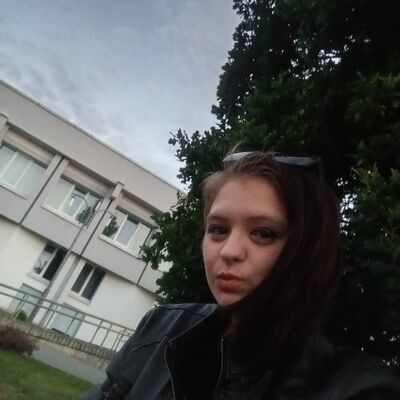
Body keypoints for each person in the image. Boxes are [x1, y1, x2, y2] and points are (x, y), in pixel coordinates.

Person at [81, 151, 400, 400]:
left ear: (307, 249)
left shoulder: (358, 389)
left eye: (263, 233)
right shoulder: (161, 328)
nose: (229, 251)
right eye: (218, 229)